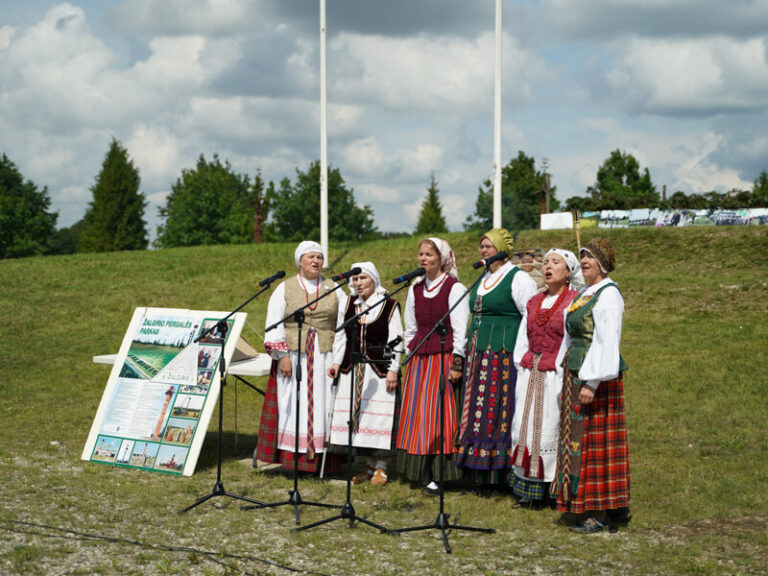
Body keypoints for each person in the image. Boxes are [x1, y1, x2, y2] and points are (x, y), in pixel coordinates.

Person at [551, 238, 630, 533]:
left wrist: (592, 383)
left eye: (590, 258)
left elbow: (606, 341)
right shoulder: (585, 293)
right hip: (577, 374)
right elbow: (569, 338)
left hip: (596, 378)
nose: (584, 262)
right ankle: (606, 505)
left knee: (595, 445)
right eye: (582, 258)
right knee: (578, 442)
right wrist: (565, 380)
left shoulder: (608, 295)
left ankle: (600, 512)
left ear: (604, 263)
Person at [455, 228, 538, 497]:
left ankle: (500, 475)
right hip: (480, 353)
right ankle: (479, 472)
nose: (484, 251)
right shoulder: (484, 277)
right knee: (480, 412)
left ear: (503, 249)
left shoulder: (518, 278)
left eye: (489, 246)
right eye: (482, 246)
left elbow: (530, 316)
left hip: (504, 354)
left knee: (502, 410)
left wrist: (523, 352)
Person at [255, 241, 346, 473]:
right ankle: (292, 459)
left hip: (324, 355)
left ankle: (322, 461)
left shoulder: (334, 287)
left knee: (322, 404)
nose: (316, 261)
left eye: (319, 257)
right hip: (294, 356)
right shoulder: (284, 288)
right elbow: (273, 324)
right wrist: (282, 355)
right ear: (299, 261)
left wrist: (337, 358)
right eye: (311, 257)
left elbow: (344, 322)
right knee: (293, 403)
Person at [509, 249, 583, 506]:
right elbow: (522, 338)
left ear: (568, 272)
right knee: (526, 429)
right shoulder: (533, 302)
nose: (548, 267)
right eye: (547, 262)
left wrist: (566, 375)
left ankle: (555, 492)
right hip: (531, 373)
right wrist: (522, 365)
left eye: (556, 263)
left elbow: (572, 340)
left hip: (556, 374)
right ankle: (529, 492)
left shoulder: (574, 302)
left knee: (551, 430)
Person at [397, 238, 468, 495]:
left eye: (429, 254)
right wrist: (410, 353)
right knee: (418, 415)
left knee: (440, 415)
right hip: (420, 359)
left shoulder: (454, 288)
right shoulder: (415, 287)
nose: (423, 259)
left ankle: (441, 474)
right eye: (421, 254)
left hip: (443, 357)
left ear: (442, 258)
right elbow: (411, 328)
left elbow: (460, 331)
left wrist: (456, 362)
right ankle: (419, 471)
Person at [328, 262, 402, 486]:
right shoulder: (348, 304)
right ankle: (368, 465)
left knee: (378, 418)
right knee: (359, 419)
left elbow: (395, 340)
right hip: (353, 369)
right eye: (356, 280)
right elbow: (340, 336)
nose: (358, 283)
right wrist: (335, 362)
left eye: (363, 279)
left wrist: (392, 370)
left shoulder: (389, 305)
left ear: (374, 279)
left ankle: (382, 467)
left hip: (378, 371)